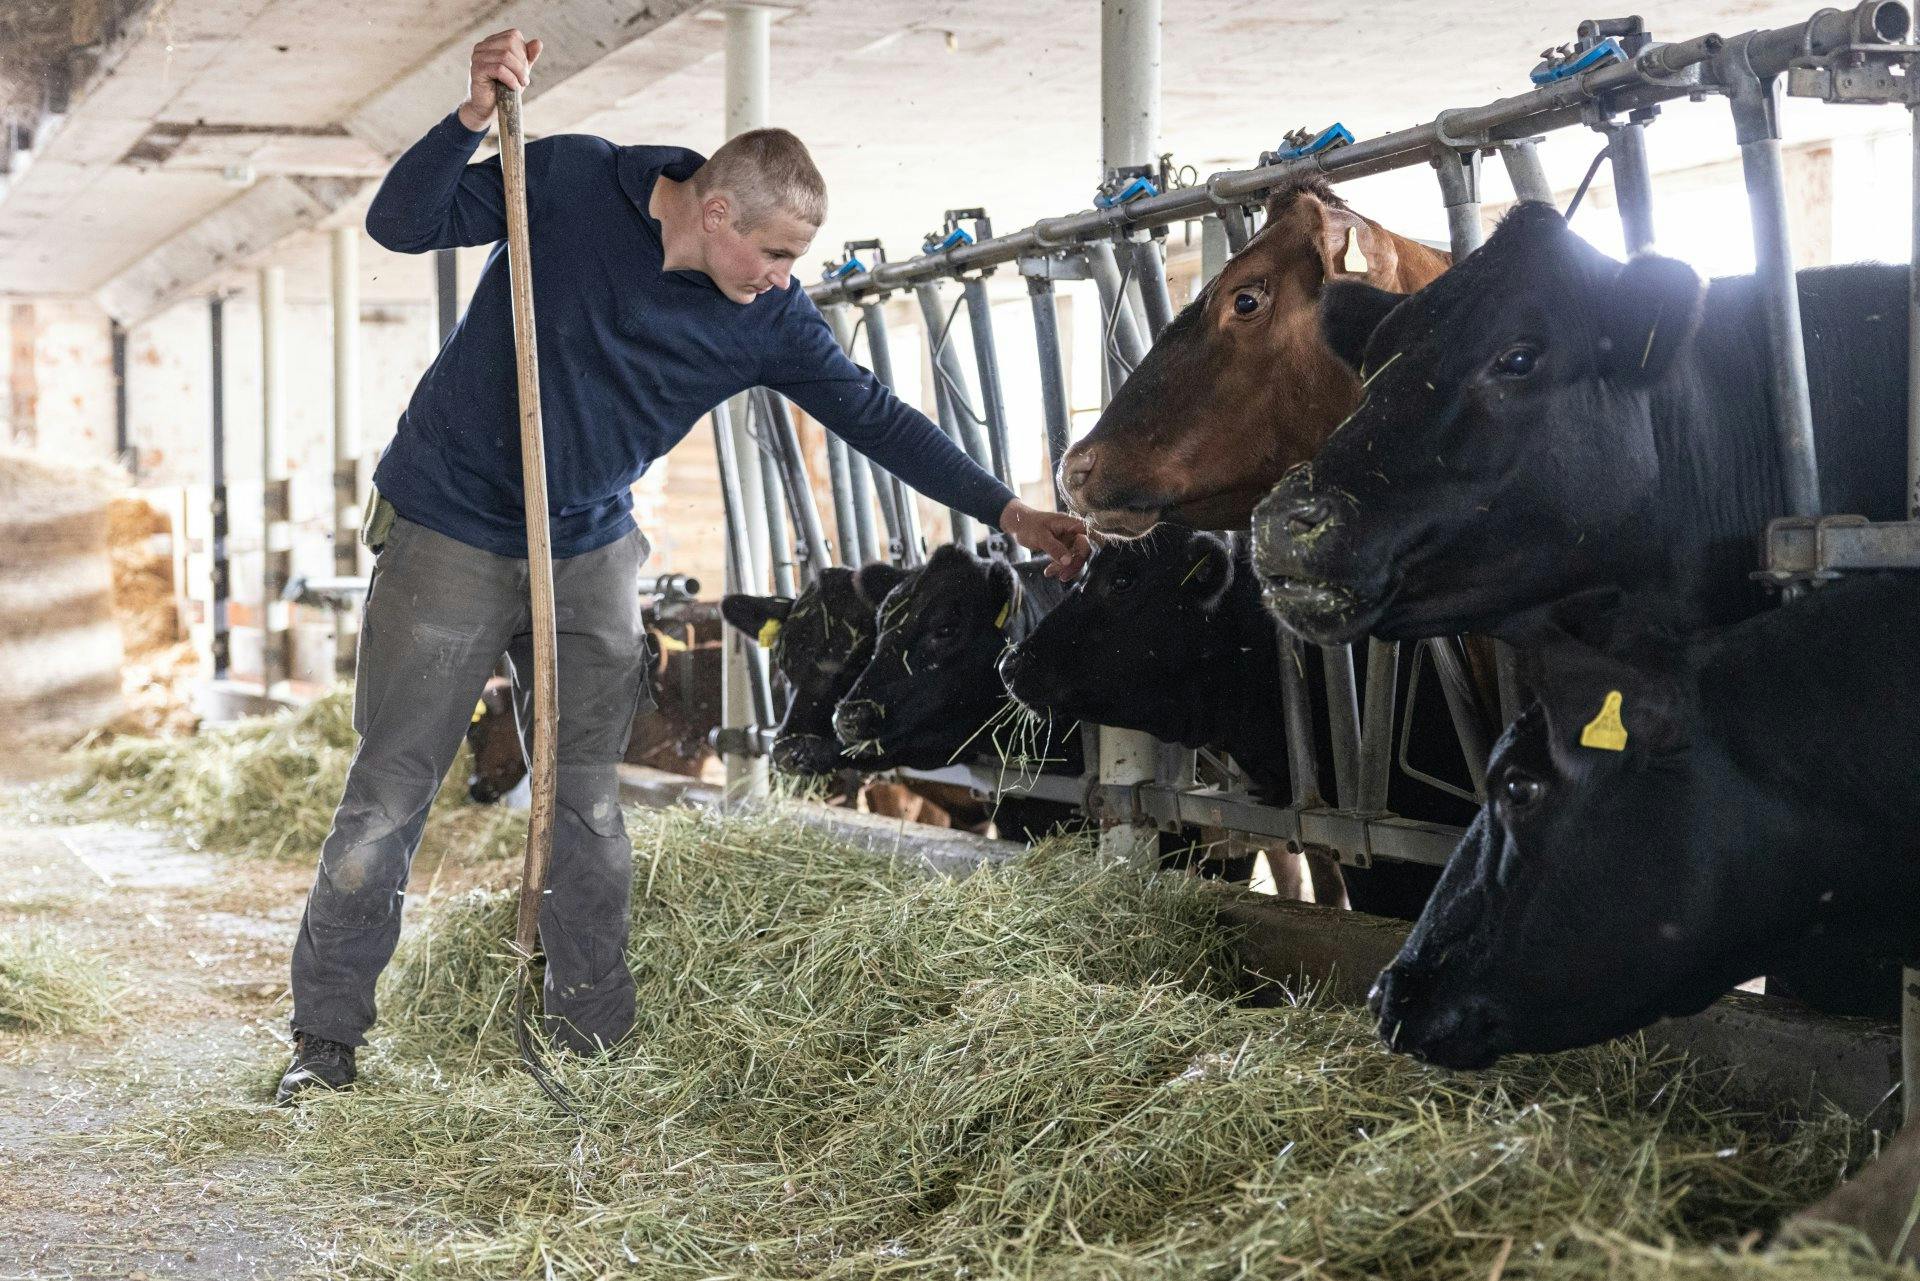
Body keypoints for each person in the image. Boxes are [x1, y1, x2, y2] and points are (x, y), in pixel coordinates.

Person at [275, 29, 1091, 1104]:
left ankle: (591, 1049)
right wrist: (474, 111)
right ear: (715, 213)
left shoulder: (768, 321)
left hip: (589, 543)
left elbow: (873, 416)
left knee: (589, 806)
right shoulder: (562, 182)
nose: (784, 280)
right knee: (388, 796)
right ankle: (325, 1048)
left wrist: (1009, 508)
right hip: (452, 527)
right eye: (776, 255)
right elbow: (402, 223)